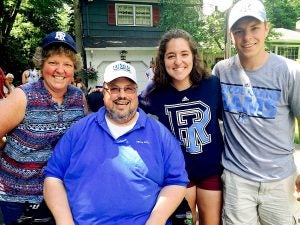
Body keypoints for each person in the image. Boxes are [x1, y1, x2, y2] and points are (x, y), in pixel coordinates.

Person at [43, 60, 189, 225]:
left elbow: (176, 181)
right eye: (114, 89)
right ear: (103, 91)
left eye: (128, 88)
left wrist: (156, 221)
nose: (122, 95)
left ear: (136, 92)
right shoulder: (79, 131)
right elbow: (53, 177)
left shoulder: (159, 134)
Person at [212, 0, 300, 224]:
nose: (247, 37)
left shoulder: (290, 71)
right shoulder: (221, 71)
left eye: (254, 28)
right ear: (231, 35)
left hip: (280, 180)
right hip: (237, 180)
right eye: (239, 31)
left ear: (266, 28)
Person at [0, 31, 87, 225]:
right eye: (53, 62)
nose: (60, 70)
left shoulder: (78, 98)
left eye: (67, 64)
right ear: (41, 64)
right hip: (19, 198)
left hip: (61, 196)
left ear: (74, 69)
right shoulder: (23, 96)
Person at [139, 29, 224, 225]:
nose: (178, 61)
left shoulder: (211, 84)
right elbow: (130, 108)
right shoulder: (155, 91)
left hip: (210, 168)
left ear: (193, 56)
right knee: (185, 221)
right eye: (171, 56)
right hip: (178, 172)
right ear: (162, 60)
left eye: (184, 54)